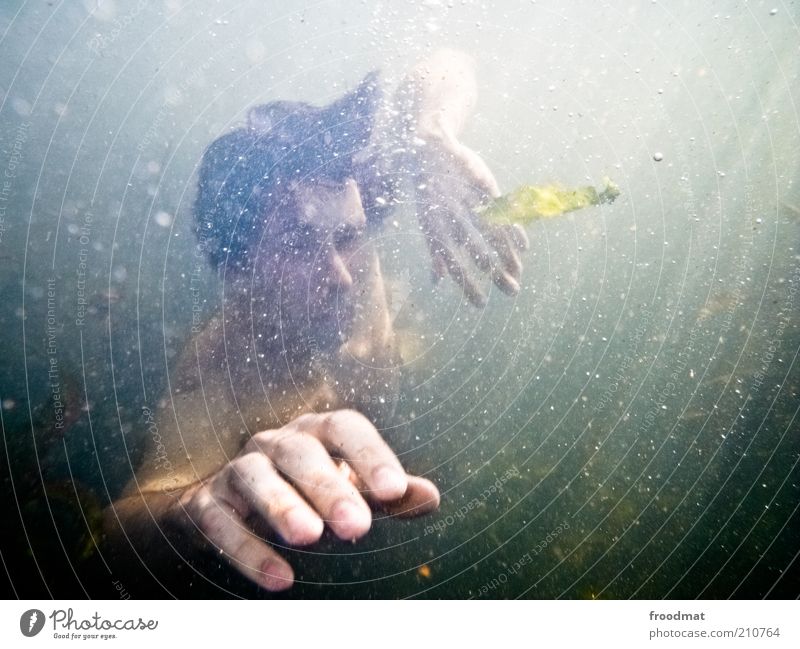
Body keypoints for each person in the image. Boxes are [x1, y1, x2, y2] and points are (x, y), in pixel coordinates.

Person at [103, 49, 528, 593]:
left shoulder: (363, 252)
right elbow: (120, 529)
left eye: (350, 238)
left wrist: (430, 138)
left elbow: (447, 61)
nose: (344, 277)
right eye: (301, 245)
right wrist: (191, 513)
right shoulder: (223, 368)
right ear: (237, 269)